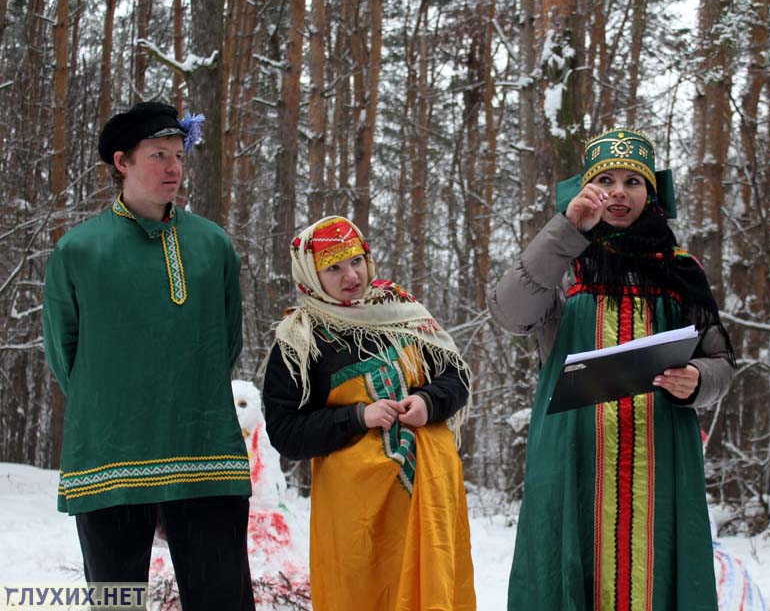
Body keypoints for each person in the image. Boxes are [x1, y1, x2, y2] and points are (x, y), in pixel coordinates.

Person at [490, 128, 736, 611]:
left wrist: (699, 381)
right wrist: (566, 229)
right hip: (573, 454)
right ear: (587, 190)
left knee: (655, 575)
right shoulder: (566, 261)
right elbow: (509, 311)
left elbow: (721, 361)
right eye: (605, 179)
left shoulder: (682, 270)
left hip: (661, 458)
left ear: (652, 195)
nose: (619, 191)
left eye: (633, 181)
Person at [42, 102, 254, 610]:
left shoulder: (212, 245)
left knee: (223, 599)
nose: (174, 168)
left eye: (179, 156)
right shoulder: (79, 251)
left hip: (203, 450)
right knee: (118, 601)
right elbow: (63, 353)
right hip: (111, 455)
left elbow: (225, 341)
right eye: (159, 155)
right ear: (122, 162)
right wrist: (119, 401)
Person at [261, 215, 476, 611]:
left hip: (427, 496)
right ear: (311, 273)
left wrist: (428, 401)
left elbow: (456, 376)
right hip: (358, 516)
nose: (351, 276)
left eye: (356, 261)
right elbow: (285, 432)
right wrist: (358, 417)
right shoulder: (300, 340)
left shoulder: (400, 310)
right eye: (334, 268)